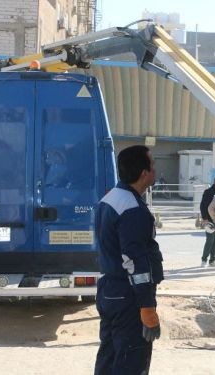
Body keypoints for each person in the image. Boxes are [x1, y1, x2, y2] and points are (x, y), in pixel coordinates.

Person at [95, 145, 164, 375]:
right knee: (131, 361)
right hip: (129, 298)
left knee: (110, 357)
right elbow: (135, 262)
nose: (155, 170)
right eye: (152, 165)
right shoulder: (132, 209)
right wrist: (147, 308)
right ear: (144, 173)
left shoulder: (110, 198)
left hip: (110, 291)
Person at [199, 176, 215, 267]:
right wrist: (204, 218)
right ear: (214, 182)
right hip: (209, 219)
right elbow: (203, 206)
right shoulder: (208, 192)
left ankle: (212, 260)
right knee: (210, 240)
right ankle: (204, 260)